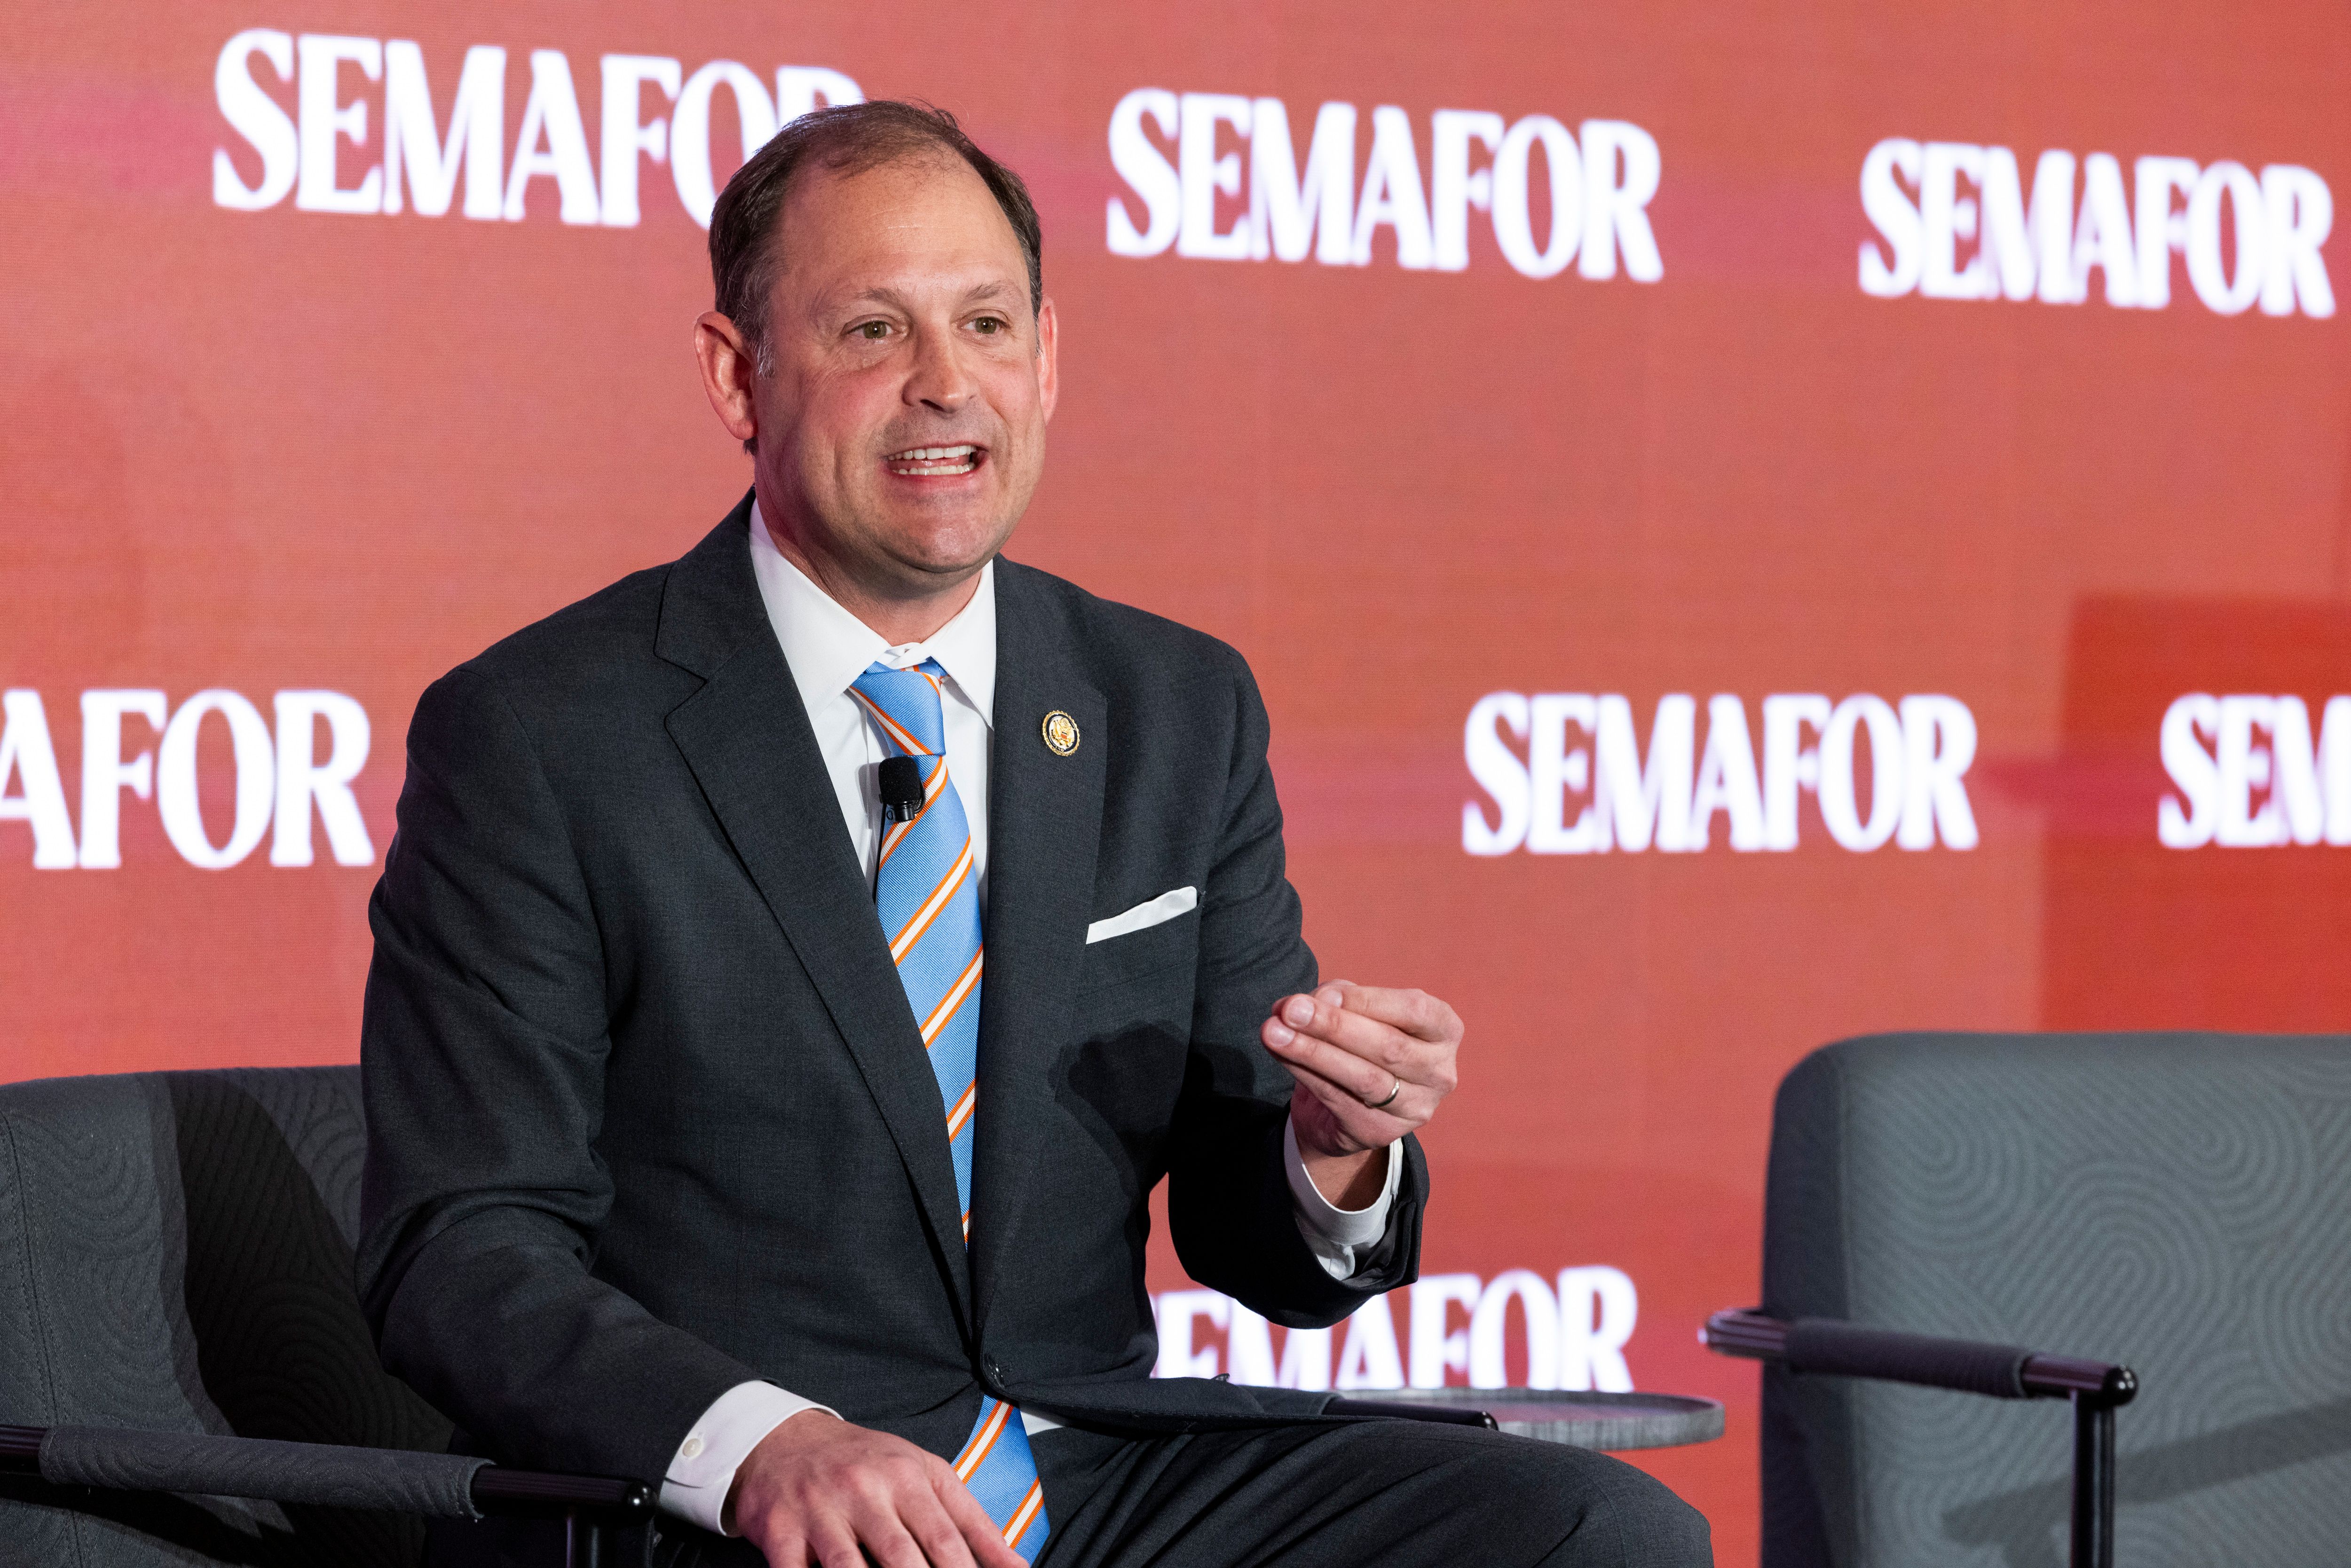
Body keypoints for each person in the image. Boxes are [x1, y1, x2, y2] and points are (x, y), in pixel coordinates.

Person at [356, 100, 1711, 1568]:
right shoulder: (546, 733)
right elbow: (461, 1248)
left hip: (1098, 1468)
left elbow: (1252, 1238)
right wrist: (760, 1446)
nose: (945, 386)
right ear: (737, 375)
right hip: (757, 1510)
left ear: (1047, 361)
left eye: (988, 325)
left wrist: (1328, 1156)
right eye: (873, 332)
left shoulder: (1175, 706)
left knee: (1591, 1531)